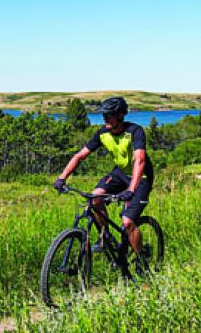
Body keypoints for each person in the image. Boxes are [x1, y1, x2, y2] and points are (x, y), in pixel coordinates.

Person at [53, 97, 153, 267]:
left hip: (141, 177)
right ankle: (105, 237)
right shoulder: (102, 133)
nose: (105, 118)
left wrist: (131, 189)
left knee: (128, 222)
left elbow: (140, 161)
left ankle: (142, 261)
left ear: (120, 115)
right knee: (95, 198)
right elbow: (80, 156)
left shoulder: (135, 132)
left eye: (109, 115)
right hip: (120, 173)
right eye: (104, 115)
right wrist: (62, 178)